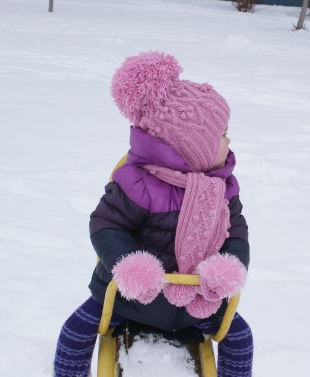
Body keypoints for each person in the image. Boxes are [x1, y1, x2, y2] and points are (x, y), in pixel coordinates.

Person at [53, 51, 252, 377]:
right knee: (76, 332)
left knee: (240, 337)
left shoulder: (224, 187)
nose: (229, 141)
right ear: (192, 146)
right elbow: (106, 224)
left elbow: (236, 231)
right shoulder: (137, 183)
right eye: (221, 135)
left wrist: (229, 266)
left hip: (198, 299)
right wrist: (130, 264)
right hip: (129, 299)